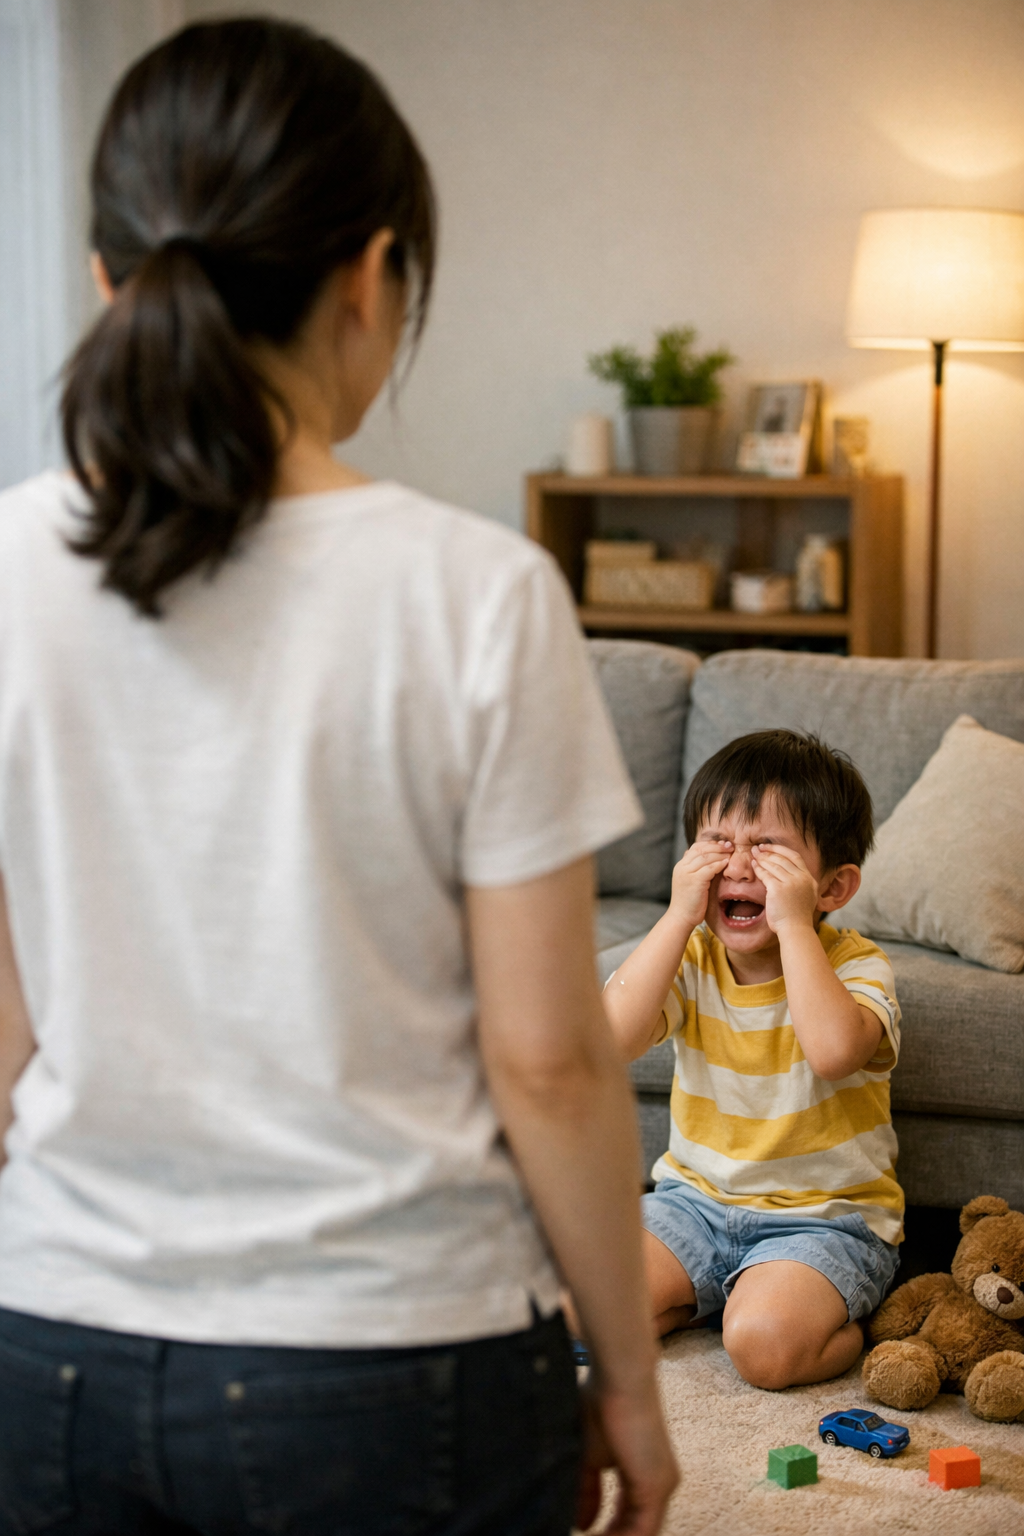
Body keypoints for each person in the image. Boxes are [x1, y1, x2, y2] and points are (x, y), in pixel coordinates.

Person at [0, 18, 676, 1536]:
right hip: (394, 1363)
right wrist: (624, 1379)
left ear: (109, 279)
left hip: (52, 1350)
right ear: (370, 280)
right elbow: (553, 1058)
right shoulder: (478, 596)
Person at [601, 730, 903, 1390]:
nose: (737, 864)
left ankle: (845, 1315)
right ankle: (707, 1296)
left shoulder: (857, 966)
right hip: (692, 1207)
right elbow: (612, 1041)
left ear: (833, 886)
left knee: (764, 1352)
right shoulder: (691, 958)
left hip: (823, 1223)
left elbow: (830, 1053)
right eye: (716, 842)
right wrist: (678, 918)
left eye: (767, 848)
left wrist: (795, 926)